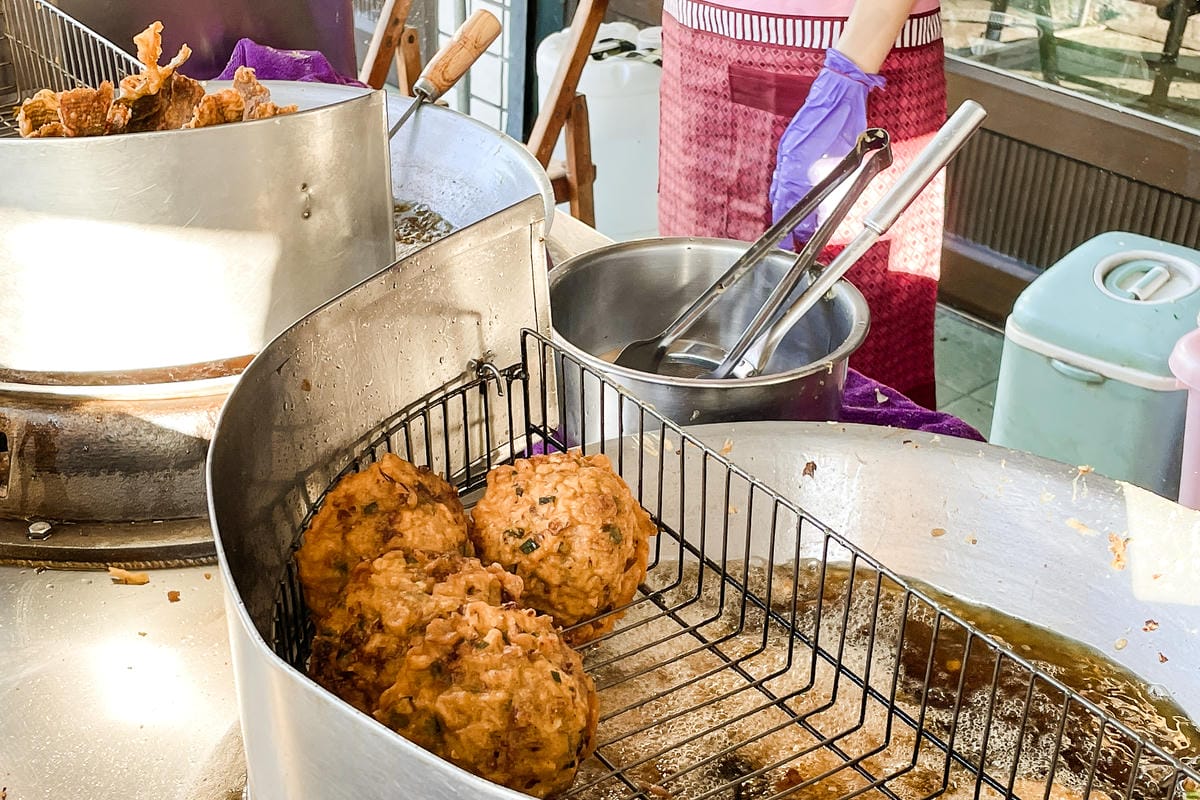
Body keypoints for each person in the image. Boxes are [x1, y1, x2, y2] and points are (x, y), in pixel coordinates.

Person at [658, 0, 947, 409]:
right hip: (697, 45)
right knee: (701, 290)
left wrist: (847, 76)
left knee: (838, 322)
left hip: (848, 53)